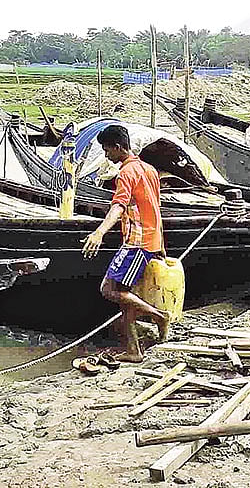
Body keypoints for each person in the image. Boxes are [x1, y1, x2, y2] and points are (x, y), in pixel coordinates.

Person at [81, 124, 169, 363]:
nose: (106, 155)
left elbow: (118, 206)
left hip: (137, 242)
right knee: (124, 294)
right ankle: (133, 350)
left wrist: (99, 232)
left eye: (107, 150)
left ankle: (159, 316)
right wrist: (161, 244)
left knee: (109, 289)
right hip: (150, 239)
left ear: (118, 147)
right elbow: (155, 208)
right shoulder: (149, 169)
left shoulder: (126, 173)